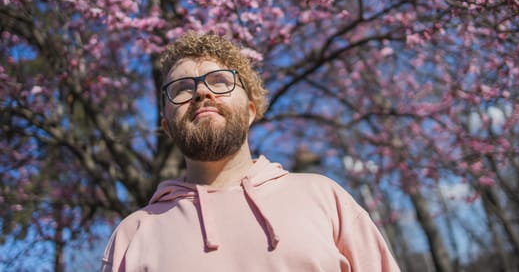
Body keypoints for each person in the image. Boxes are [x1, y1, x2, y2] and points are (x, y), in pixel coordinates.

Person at [101, 31, 400, 272]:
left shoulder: (325, 198)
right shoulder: (132, 236)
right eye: (181, 88)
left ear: (250, 111)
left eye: (220, 81)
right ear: (166, 126)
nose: (202, 92)